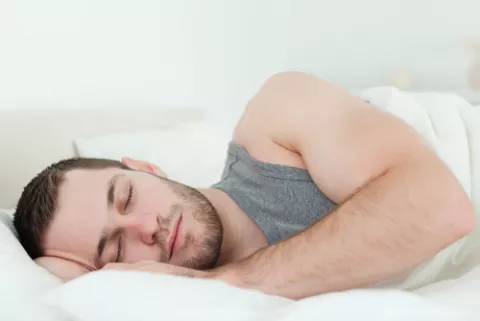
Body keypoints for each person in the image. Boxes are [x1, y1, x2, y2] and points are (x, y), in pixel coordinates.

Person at [13, 72, 476, 300]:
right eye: (115, 249)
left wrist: (232, 279)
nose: (146, 228)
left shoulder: (278, 114)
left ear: (147, 167)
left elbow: (440, 208)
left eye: (127, 196)